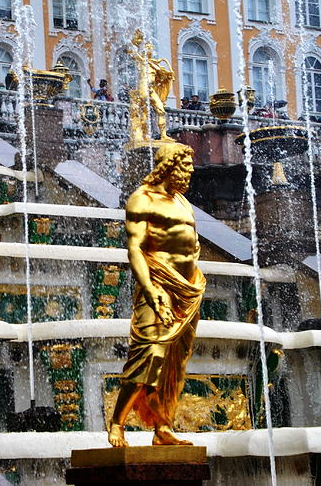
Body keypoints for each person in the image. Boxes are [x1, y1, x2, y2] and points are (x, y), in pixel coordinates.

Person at [108, 143, 204, 447]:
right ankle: (117, 423)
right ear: (169, 165)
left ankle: (163, 425)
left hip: (187, 289)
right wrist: (150, 290)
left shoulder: (183, 203)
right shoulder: (142, 199)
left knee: (176, 360)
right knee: (150, 354)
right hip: (157, 284)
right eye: (185, 165)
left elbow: (192, 243)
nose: (190, 171)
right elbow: (135, 248)